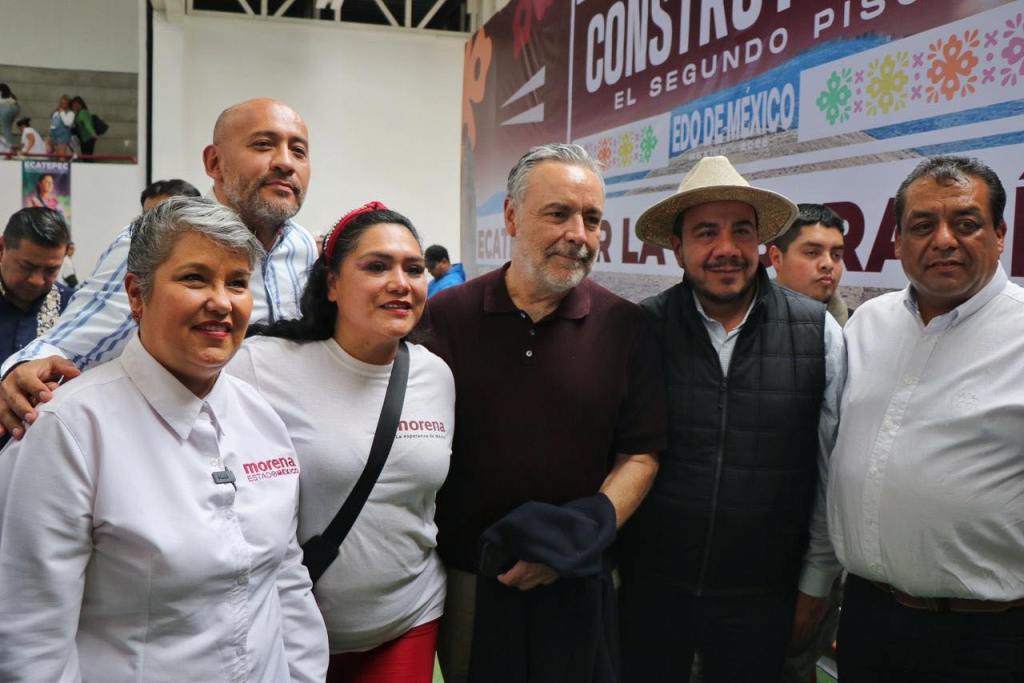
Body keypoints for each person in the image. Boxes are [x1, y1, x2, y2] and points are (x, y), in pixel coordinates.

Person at [0, 197, 328, 682]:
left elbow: (285, 580)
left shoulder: (260, 417)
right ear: (136, 295)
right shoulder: (68, 430)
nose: (221, 301)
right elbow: (31, 637)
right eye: (195, 278)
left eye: (237, 283)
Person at [425, 143, 666, 683]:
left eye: (592, 219)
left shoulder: (626, 327)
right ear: (511, 216)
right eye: (558, 213)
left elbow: (641, 453)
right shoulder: (445, 319)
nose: (577, 234)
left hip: (579, 579)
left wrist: (571, 544)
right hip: (470, 581)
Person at [620, 156, 844, 683]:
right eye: (705, 232)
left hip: (765, 601)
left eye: (740, 231)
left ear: (760, 243)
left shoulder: (817, 333)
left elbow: (830, 472)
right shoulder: (640, 330)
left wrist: (815, 585)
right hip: (651, 597)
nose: (725, 249)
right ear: (677, 247)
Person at [229, 202, 454, 683]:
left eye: (413, 269)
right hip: (285, 628)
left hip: (407, 620)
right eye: (376, 266)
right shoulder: (261, 365)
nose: (400, 282)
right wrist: (36, 372)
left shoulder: (436, 376)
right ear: (331, 283)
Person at [0, 98, 317, 439]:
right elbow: (68, 346)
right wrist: (20, 370)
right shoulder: (157, 237)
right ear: (214, 162)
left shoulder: (303, 248)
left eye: (298, 151)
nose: (285, 162)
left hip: (272, 460)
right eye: (263, 145)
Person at [828, 155, 1024, 681]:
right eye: (922, 225)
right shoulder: (867, 324)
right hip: (870, 618)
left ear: (1000, 234)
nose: (942, 240)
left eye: (965, 223)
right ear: (896, 242)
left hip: (987, 639)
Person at [0, 208, 73, 365]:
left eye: (51, 270)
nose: (37, 281)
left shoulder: (74, 309)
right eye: (27, 266)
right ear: (1, 249)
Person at [769, 203, 852, 325]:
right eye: (812, 252)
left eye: (836, 255)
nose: (828, 264)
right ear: (777, 258)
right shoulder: (742, 322)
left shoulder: (855, 330)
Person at [70, 95, 98, 161]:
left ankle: (90, 169)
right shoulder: (79, 113)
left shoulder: (83, 113)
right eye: (73, 105)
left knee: (87, 157)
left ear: (80, 104)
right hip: (85, 138)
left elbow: (87, 125)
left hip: (88, 138)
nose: (74, 106)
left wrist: (93, 134)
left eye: (75, 104)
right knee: (87, 156)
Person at [0, 83, 18, 149]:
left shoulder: (2, 94)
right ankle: (10, 144)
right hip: (14, 110)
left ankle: (9, 146)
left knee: (6, 128)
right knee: (8, 128)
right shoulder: (11, 95)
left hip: (6, 110)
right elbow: (14, 102)